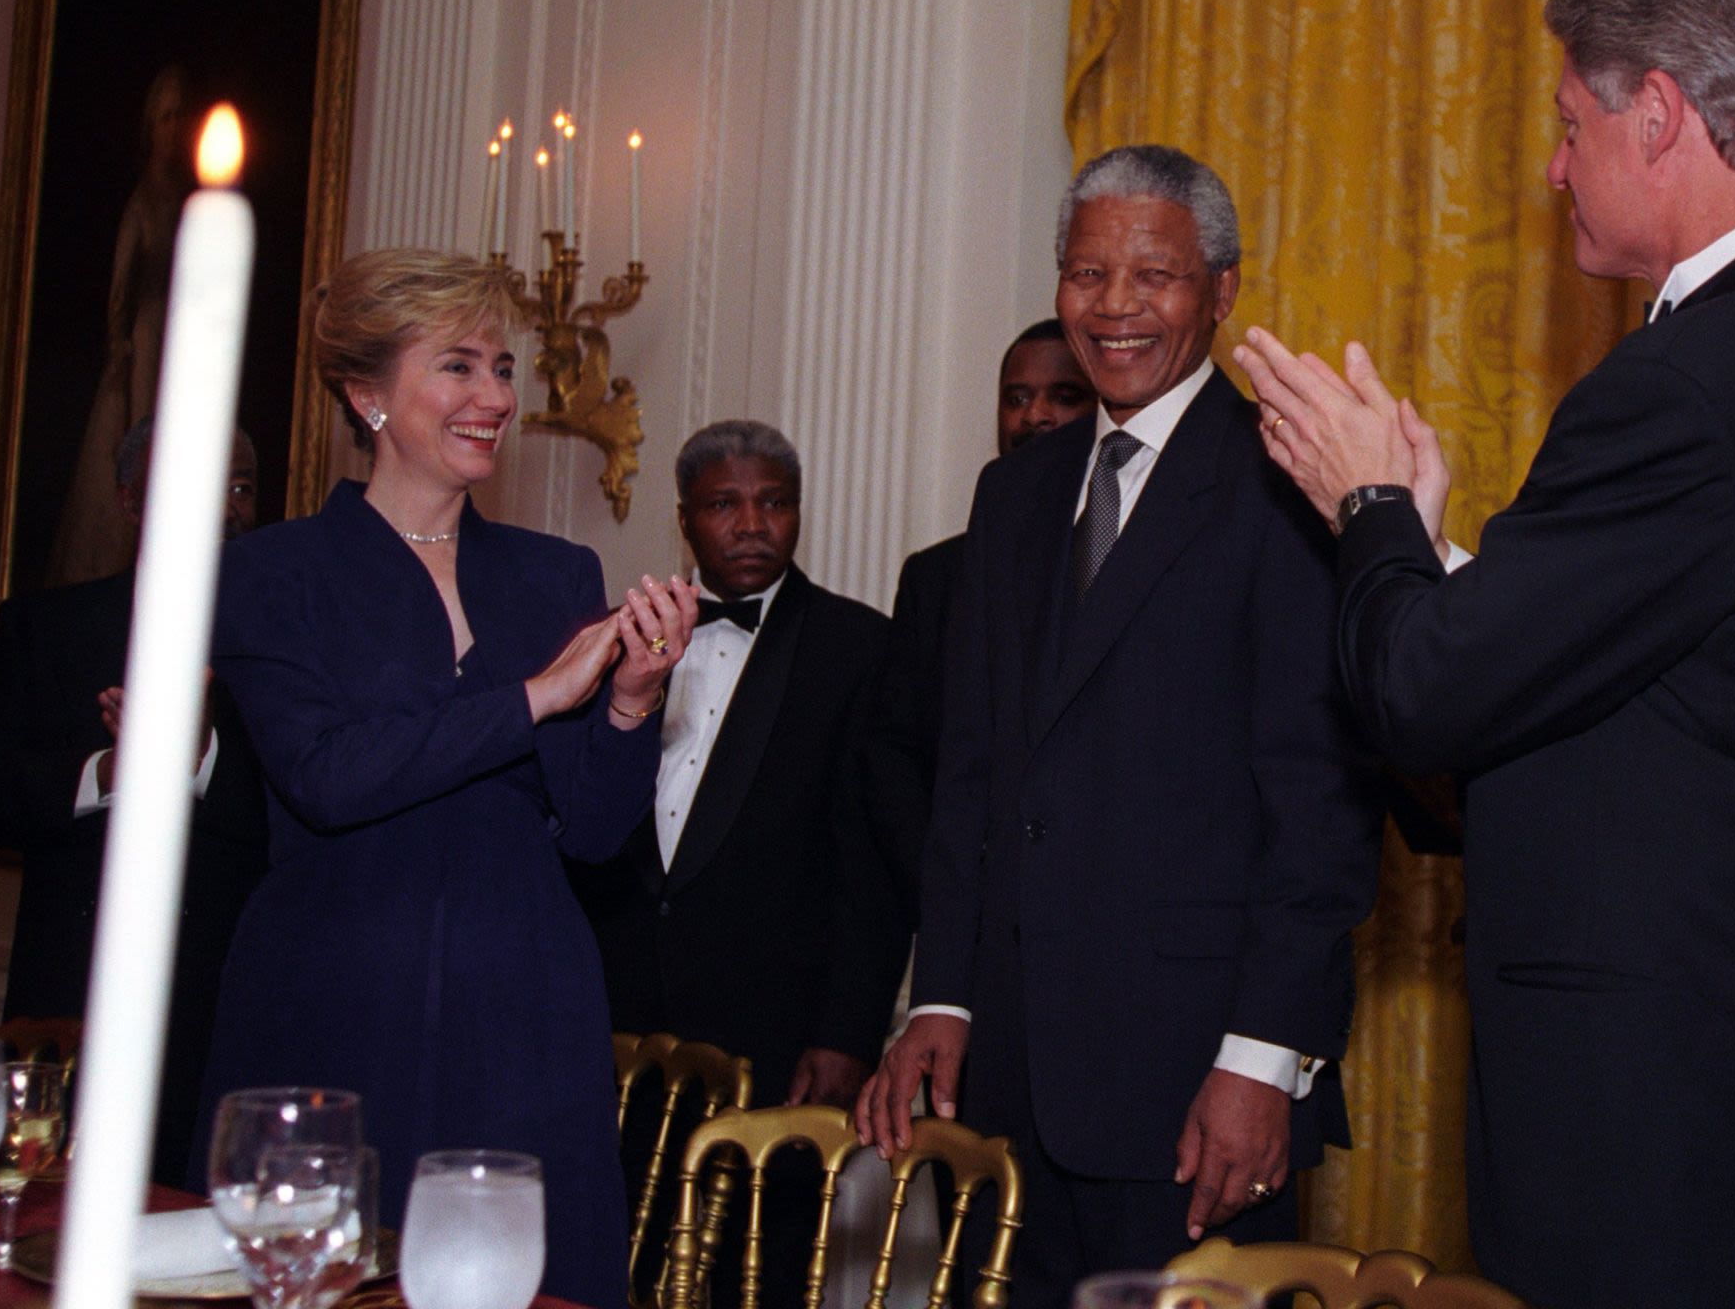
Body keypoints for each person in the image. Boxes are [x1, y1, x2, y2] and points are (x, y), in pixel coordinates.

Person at [1235, 0, 1735, 1307]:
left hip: (1668, 1141)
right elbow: (1650, 689)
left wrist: (1368, 506)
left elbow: (1425, 693)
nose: (1554, 168)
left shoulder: (1688, 388)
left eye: (1572, 123)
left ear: (1660, 116)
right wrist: (1437, 552)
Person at [856, 145, 1380, 1309]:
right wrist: (942, 995)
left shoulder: (1288, 482)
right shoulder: (1020, 494)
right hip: (1006, 1086)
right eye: (1086, 275)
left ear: (1224, 290)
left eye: (1153, 276)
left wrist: (1261, 1062)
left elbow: (1323, 807)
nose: (1115, 308)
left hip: (1195, 1091)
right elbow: (977, 772)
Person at [195, 249, 699, 1309]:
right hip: (336, 996)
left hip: (525, 1004)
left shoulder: (553, 573)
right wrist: (534, 696)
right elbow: (326, 779)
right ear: (365, 392)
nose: (495, 399)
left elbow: (595, 835)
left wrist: (627, 703)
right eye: (459, 367)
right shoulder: (273, 574)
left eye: (504, 369)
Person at [570, 419, 903, 1298]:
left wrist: (846, 1032)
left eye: (773, 504)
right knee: (613, 1255)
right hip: (620, 1016)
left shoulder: (859, 649)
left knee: (765, 1269)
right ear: (685, 519)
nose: (752, 525)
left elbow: (877, 864)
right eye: (725, 504)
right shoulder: (612, 639)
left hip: (777, 1028)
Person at [0, 415, 268, 1187]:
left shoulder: (287, 639)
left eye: (240, 486)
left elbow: (317, 815)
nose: (220, 505)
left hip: (226, 1011)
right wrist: (109, 774)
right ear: (128, 500)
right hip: (67, 1015)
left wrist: (197, 761)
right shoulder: (48, 629)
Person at [866, 321, 1094, 921]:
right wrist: (950, 890)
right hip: (965, 916)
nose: (1034, 416)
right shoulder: (936, 576)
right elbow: (897, 757)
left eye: (1064, 396)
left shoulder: (1133, 559)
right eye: (1016, 398)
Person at [54, 65, 193, 586]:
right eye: (166, 117)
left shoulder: (182, 196)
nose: (174, 128)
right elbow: (121, 290)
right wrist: (121, 346)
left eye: (182, 116)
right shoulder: (143, 204)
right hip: (147, 338)